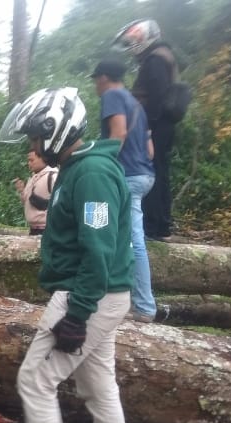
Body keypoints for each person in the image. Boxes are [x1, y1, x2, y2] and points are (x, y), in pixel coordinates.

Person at [0, 87, 133, 423]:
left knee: (35, 381)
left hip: (88, 294)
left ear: (56, 131)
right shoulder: (78, 168)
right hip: (100, 293)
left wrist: (78, 313)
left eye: (36, 137)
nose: (34, 147)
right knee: (100, 390)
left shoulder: (92, 175)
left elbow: (99, 249)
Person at [92, 57, 157, 323]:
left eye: (96, 80)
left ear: (103, 77)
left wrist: (102, 164)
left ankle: (144, 306)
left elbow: (118, 133)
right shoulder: (136, 104)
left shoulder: (113, 96)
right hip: (144, 175)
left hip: (126, 176)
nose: (95, 86)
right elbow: (150, 150)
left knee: (130, 238)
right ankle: (116, 294)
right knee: (117, 232)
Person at [113, 19, 178, 242]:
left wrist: (146, 128)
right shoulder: (160, 56)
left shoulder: (155, 59)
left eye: (135, 40)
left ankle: (154, 227)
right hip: (160, 124)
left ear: (146, 37)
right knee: (158, 171)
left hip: (157, 126)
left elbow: (157, 96)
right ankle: (160, 226)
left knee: (153, 172)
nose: (133, 46)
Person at [13, 150, 58, 235]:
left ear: (43, 158)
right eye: (28, 161)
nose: (29, 164)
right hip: (34, 229)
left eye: (32, 160)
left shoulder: (52, 177)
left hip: (47, 229)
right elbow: (26, 202)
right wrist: (22, 191)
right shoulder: (33, 178)